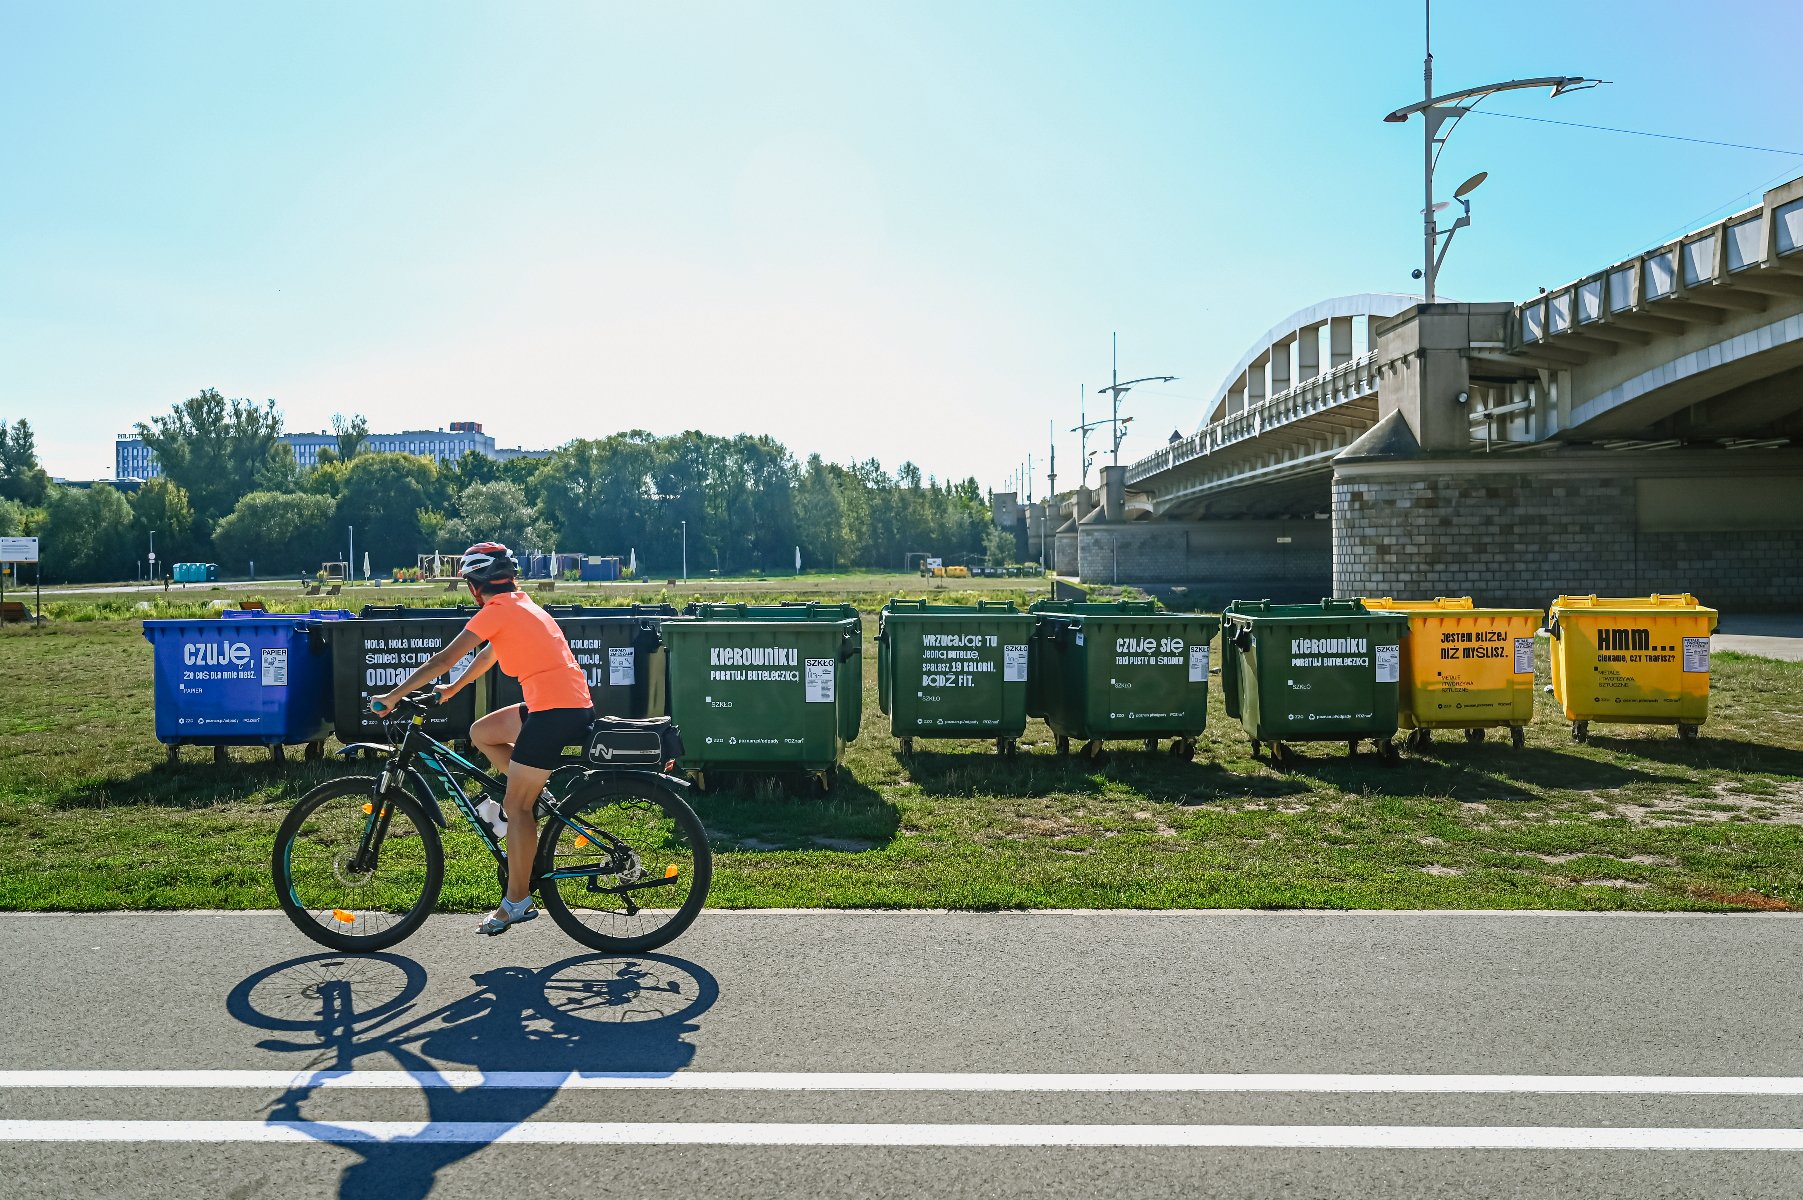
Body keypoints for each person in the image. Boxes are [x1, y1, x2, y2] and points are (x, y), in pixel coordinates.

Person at [373, 542, 593, 936]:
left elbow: (442, 658)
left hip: (554, 712)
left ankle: (517, 902)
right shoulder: (519, 605)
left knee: (516, 806)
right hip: (559, 705)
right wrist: (452, 690)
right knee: (482, 733)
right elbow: (489, 655)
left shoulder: (498, 610)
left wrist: (392, 697)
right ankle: (534, 794)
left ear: (475, 586)